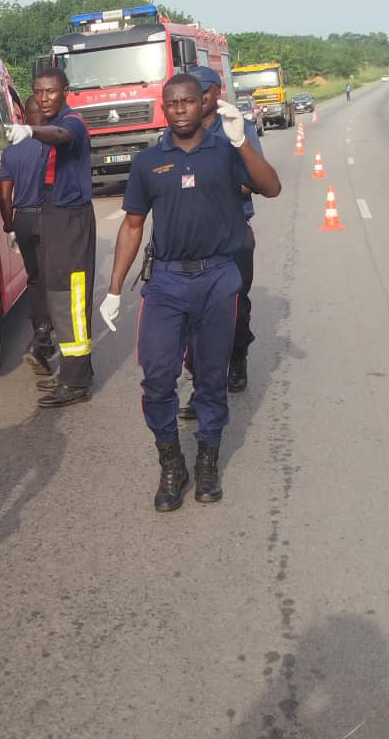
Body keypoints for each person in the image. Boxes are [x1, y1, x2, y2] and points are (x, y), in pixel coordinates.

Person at [99, 74, 281, 511]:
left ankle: (207, 459)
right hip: (166, 282)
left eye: (188, 101)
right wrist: (114, 289)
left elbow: (271, 187)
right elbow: (133, 225)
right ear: (163, 108)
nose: (180, 109)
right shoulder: (148, 162)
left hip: (217, 277)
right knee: (157, 378)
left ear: (204, 104)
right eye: (172, 103)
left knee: (211, 377)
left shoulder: (225, 150)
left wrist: (241, 141)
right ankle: (172, 462)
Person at [5, 68, 95, 407]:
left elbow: (60, 135)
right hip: (53, 215)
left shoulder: (71, 123)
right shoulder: (51, 124)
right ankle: (75, 371)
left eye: (51, 92)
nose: (43, 98)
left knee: (71, 298)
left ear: (65, 91)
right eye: (38, 92)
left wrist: (30, 130)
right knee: (57, 296)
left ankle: (76, 382)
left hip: (70, 218)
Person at [179, 66, 263, 408]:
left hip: (232, 232)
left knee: (235, 305)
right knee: (195, 312)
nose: (198, 98)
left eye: (203, 91)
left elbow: (256, 179)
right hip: (193, 237)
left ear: (217, 91)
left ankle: (238, 355)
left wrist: (214, 185)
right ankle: (201, 385)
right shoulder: (181, 130)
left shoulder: (236, 126)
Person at [0, 96, 53, 375]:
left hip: (22, 219)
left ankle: (41, 333)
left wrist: (9, 227)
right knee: (52, 279)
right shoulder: (50, 145)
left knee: (34, 278)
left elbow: (5, 197)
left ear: (24, 118)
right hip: (48, 217)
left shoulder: (11, 151)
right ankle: (42, 338)